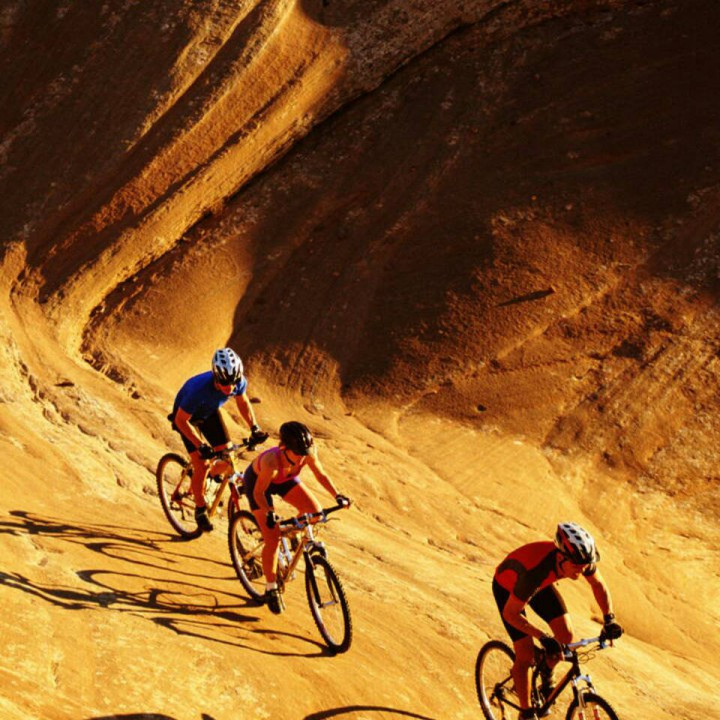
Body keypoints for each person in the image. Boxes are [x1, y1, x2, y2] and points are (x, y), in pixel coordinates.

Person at [492, 522, 624, 720]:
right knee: (525, 654)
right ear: (561, 557)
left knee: (566, 636)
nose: (581, 571)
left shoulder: (581, 559)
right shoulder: (536, 572)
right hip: (508, 587)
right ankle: (526, 712)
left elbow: (599, 585)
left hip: (539, 587)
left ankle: (545, 669)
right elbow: (511, 614)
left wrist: (609, 619)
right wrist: (543, 637)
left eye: (584, 566)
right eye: (576, 566)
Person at [242, 420, 351, 614]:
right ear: (284, 448)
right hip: (258, 484)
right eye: (298, 453)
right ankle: (271, 588)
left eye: (305, 452)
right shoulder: (271, 461)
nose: (302, 457)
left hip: (285, 480)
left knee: (315, 512)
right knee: (272, 539)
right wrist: (269, 513)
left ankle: (291, 534)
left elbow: (320, 474)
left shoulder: (307, 452)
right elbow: (259, 493)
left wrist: (337, 495)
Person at [169, 347, 268, 532]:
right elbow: (181, 420)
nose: (230, 388)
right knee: (202, 464)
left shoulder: (238, 381)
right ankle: (200, 509)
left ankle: (205, 481)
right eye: (224, 383)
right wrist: (200, 445)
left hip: (208, 412)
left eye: (233, 382)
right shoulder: (198, 390)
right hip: (186, 418)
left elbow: (243, 402)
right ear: (216, 377)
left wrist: (254, 428)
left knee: (229, 457)